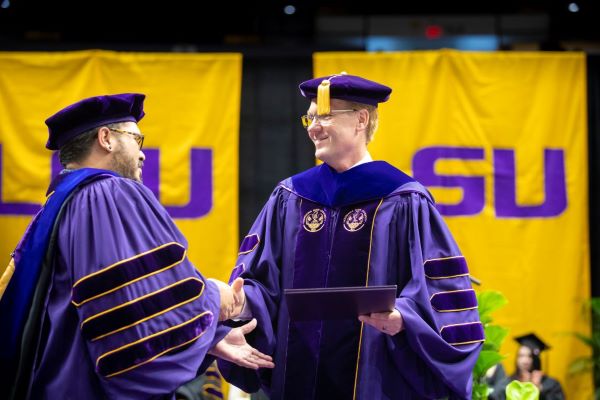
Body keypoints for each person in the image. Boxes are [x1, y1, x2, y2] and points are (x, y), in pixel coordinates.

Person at [218, 73, 484, 399]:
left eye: (325, 116)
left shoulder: (403, 199)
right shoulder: (291, 197)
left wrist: (405, 319)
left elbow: (440, 289)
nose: (312, 127)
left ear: (361, 120)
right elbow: (262, 283)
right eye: (310, 117)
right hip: (297, 383)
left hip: (378, 378)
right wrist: (243, 303)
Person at [0, 93, 273, 400]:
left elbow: (117, 308)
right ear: (106, 138)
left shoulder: (57, 207)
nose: (142, 154)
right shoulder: (107, 192)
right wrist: (214, 297)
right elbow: (136, 301)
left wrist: (212, 336)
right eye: (136, 139)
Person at [493, 333, 565, 400]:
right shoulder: (508, 383)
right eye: (521, 356)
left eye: (530, 356)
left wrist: (538, 388)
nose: (524, 361)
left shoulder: (551, 384)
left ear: (537, 359)